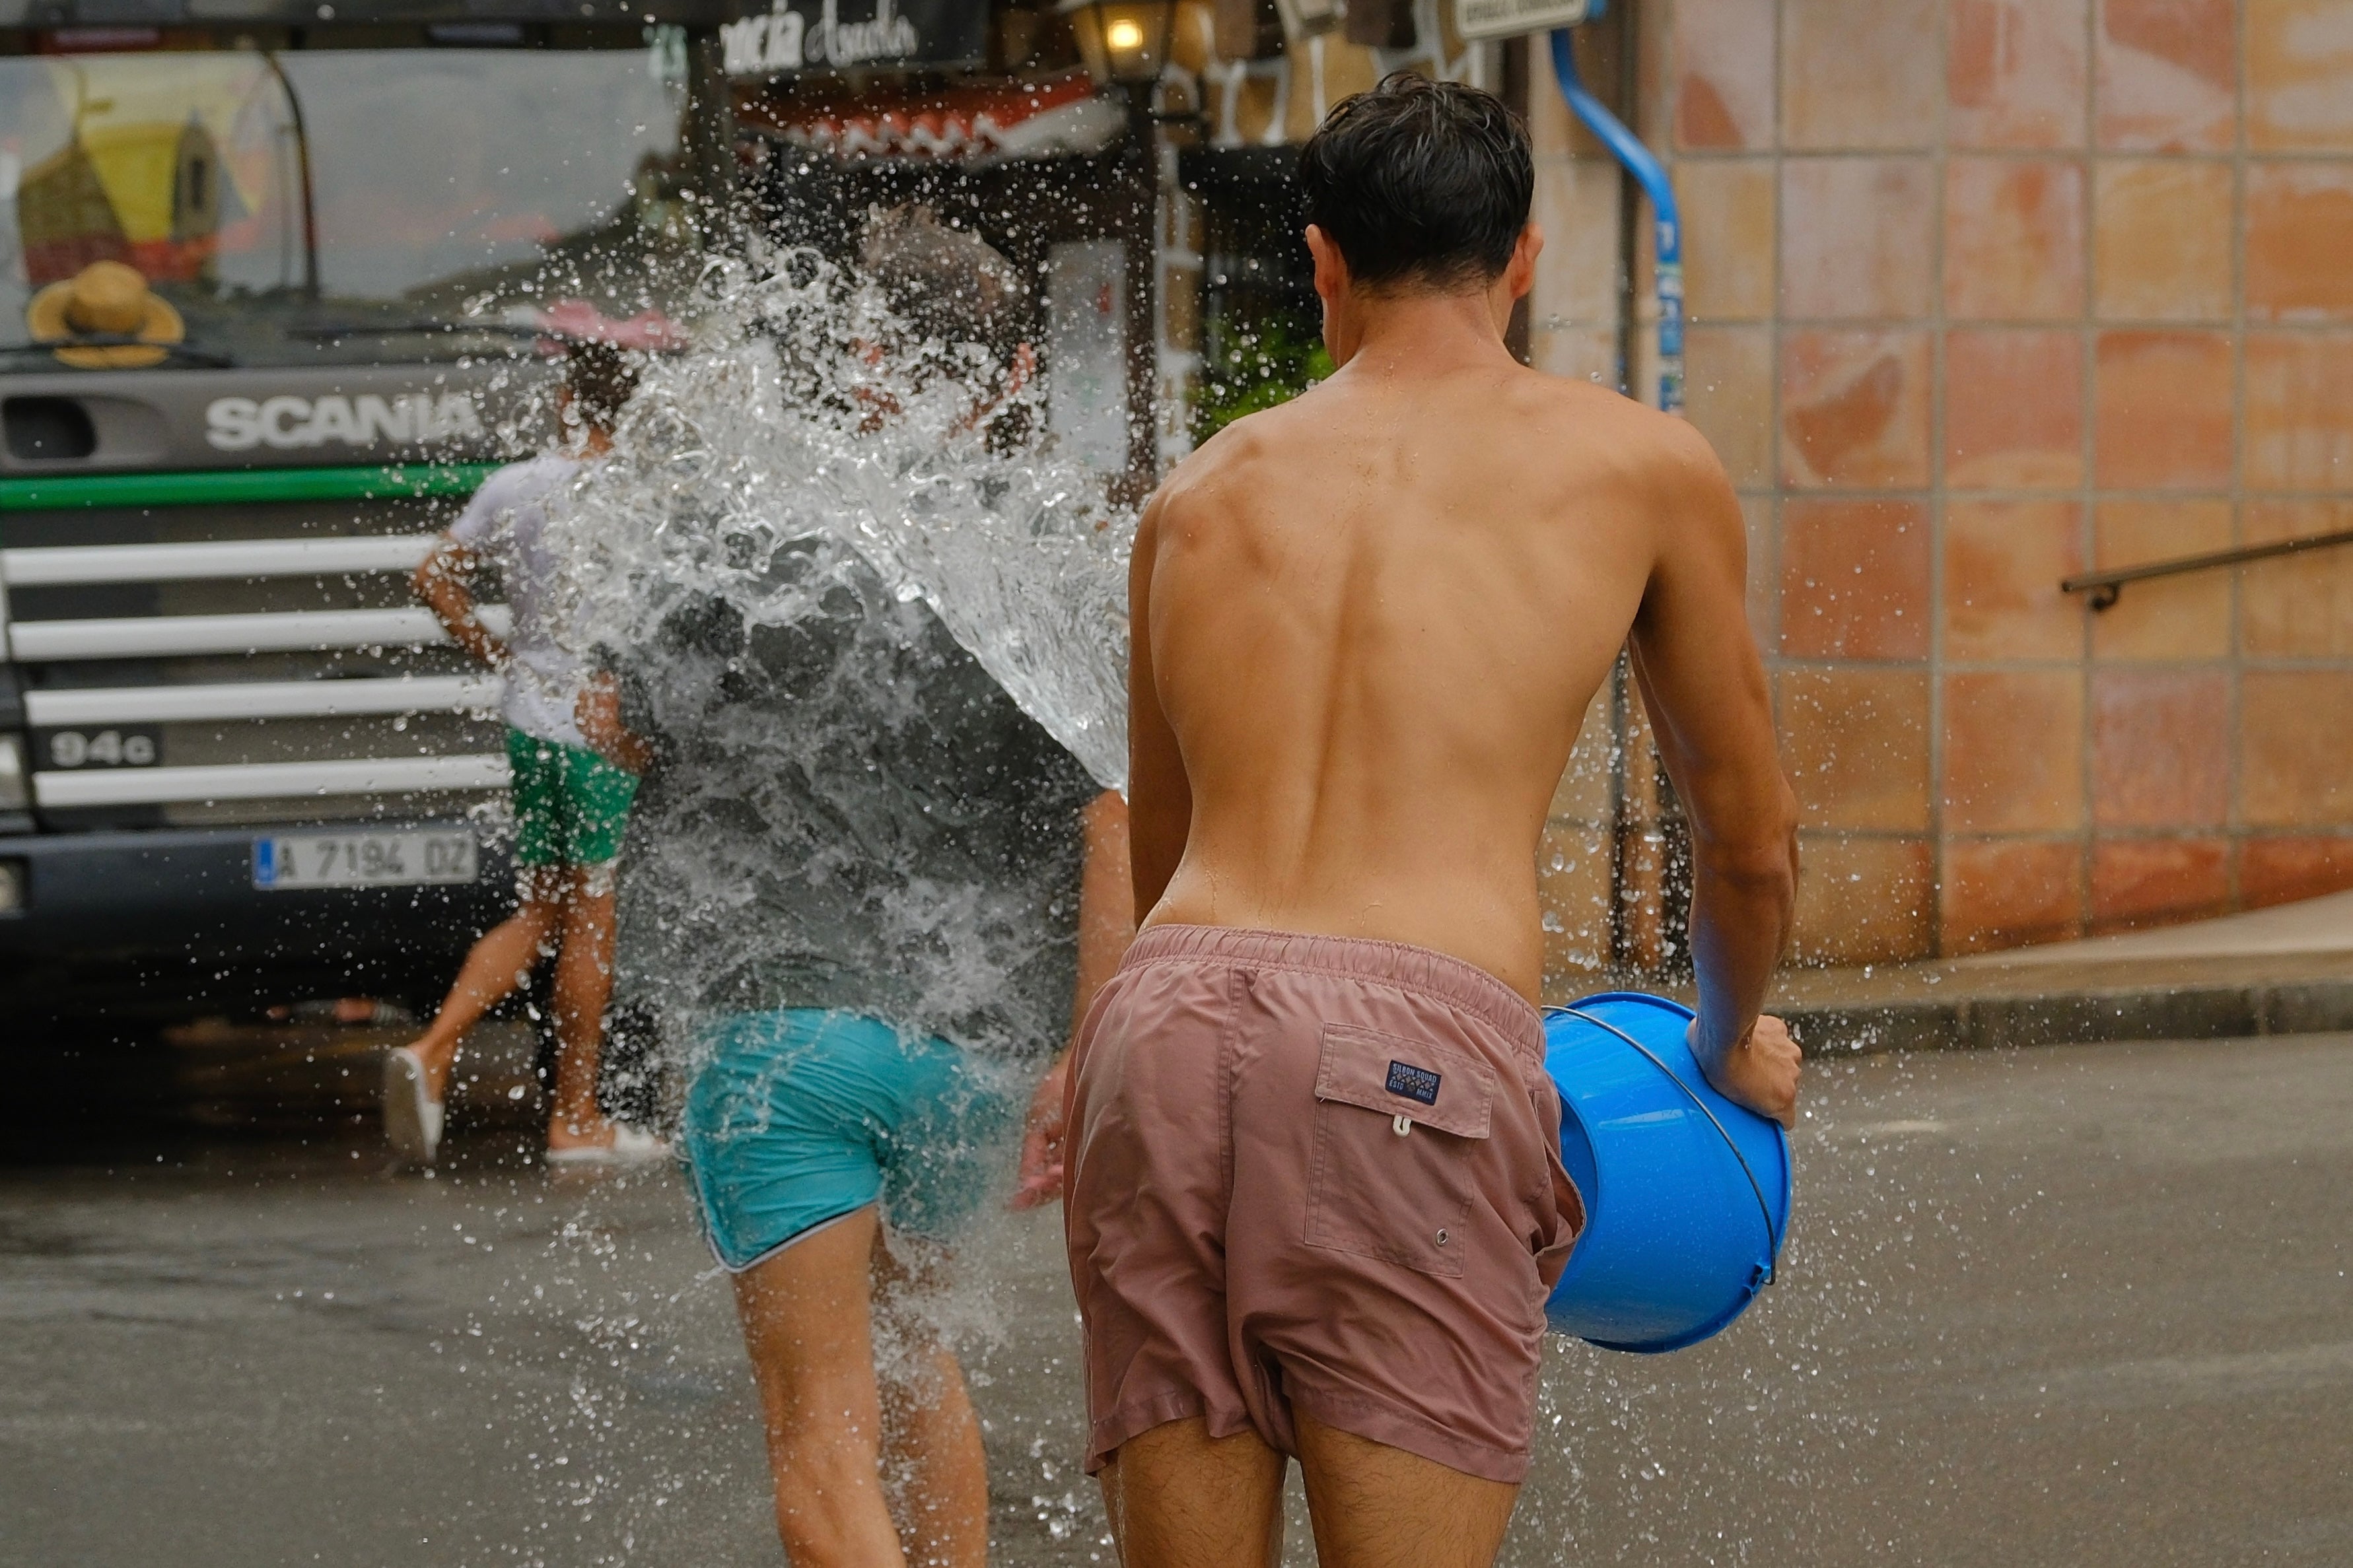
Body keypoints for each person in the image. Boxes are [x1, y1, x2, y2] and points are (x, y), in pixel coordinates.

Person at [1045, 75, 1805, 1567]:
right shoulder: (1638, 465)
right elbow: (1750, 840)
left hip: (1165, 1034)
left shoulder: (1196, 495)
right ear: (1523, 258)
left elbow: (1161, 847)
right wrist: (1726, 1042)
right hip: (1408, 1054)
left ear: (1322, 262)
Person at [594, 213, 1129, 1567]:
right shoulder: (1042, 562)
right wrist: (1084, 1050)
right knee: (916, 1356)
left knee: (819, 1438)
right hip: (972, 1055)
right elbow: (1110, 812)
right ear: (1016, 370)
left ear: (858, 355)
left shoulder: (753, 530)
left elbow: (621, 724)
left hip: (785, 1033)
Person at [383, 342, 663, 1167]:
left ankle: (432, 1047)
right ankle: (575, 1117)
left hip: (531, 721)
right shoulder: (644, 494)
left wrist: (496, 654)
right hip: (599, 731)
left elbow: (433, 577)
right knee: (592, 923)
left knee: (543, 911)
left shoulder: (514, 486)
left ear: (568, 402)